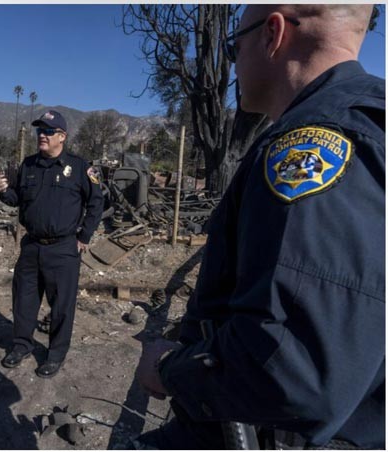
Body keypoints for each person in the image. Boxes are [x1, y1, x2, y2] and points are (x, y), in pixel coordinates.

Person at [136, 4, 384, 449]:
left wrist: (171, 370)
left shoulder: (313, 144)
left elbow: (293, 368)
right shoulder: (368, 123)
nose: (232, 63)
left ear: (272, 34)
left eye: (234, 46)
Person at [0, 110, 103, 378]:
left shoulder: (79, 168)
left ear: (62, 137)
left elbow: (97, 202)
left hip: (64, 248)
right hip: (31, 246)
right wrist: (2, 191)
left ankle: (55, 354)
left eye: (49, 131)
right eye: (40, 130)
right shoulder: (28, 165)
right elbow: (16, 199)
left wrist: (84, 237)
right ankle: (21, 345)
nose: (42, 135)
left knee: (62, 305)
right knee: (24, 300)